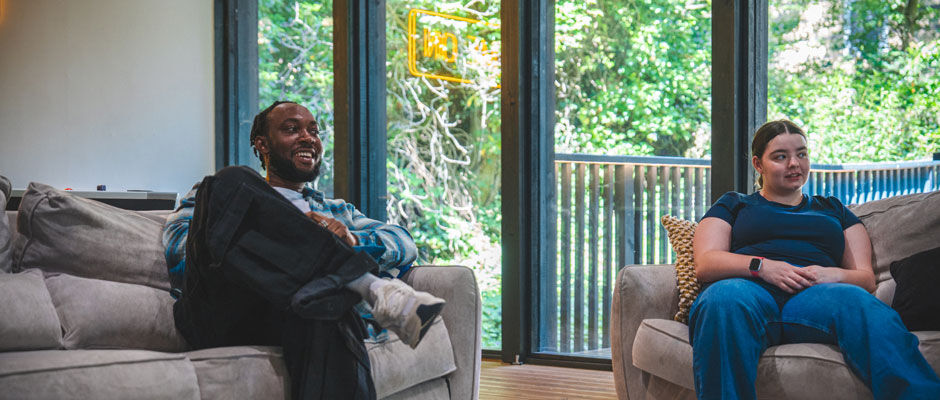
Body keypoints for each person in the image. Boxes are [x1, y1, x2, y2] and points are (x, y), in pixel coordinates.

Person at [162, 101, 444, 399]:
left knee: (323, 303)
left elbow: (403, 242)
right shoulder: (224, 195)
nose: (308, 137)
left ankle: (344, 282)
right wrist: (285, 239)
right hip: (228, 308)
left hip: (299, 308)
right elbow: (180, 249)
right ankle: (370, 287)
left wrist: (352, 241)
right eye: (292, 129)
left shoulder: (336, 211)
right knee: (231, 176)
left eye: (313, 130)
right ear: (262, 144)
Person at [689, 119, 940, 399]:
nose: (794, 164)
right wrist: (762, 267)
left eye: (801, 154)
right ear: (759, 165)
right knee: (722, 300)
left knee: (862, 305)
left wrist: (831, 275)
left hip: (817, 296)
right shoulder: (734, 204)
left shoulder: (833, 210)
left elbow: (865, 277)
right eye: (780, 157)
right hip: (749, 290)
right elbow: (706, 262)